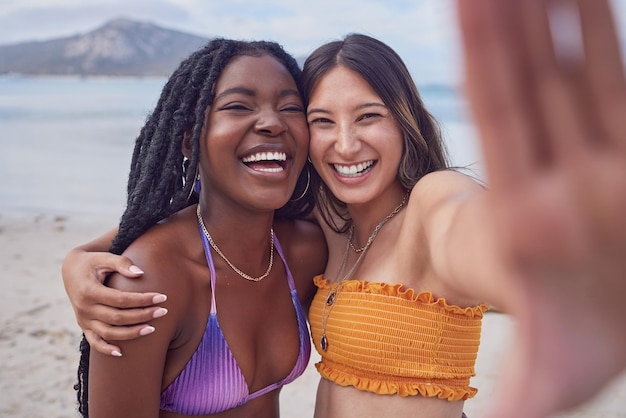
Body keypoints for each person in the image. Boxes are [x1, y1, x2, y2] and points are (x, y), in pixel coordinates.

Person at [63, 1, 626, 417]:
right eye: (322, 121)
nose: (345, 144)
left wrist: (547, 260)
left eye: (369, 117)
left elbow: (474, 234)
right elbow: (196, 218)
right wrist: (80, 259)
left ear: (406, 121)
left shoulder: (431, 208)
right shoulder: (323, 232)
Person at [70, 38, 328, 417]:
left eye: (291, 107)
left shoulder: (305, 251)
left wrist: (76, 256)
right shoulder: (148, 281)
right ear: (190, 139)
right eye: (238, 106)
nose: (273, 122)